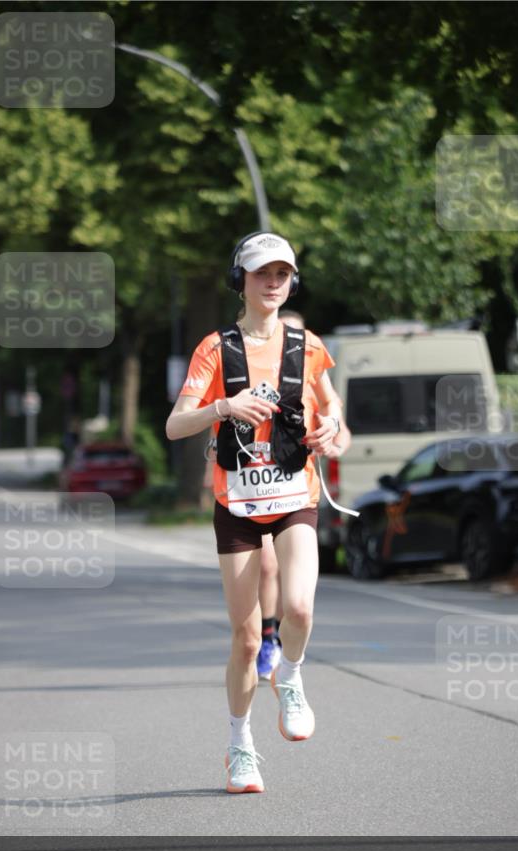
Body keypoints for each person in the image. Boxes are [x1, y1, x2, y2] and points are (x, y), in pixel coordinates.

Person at [165, 232, 342, 793]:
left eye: (282, 274)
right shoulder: (215, 349)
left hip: (294, 496)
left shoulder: (307, 345)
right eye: (263, 273)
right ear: (239, 279)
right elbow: (175, 424)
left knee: (299, 609)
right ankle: (239, 745)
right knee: (245, 640)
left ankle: (289, 675)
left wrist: (334, 429)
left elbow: (333, 407)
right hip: (237, 504)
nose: (273, 283)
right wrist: (223, 406)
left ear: (293, 282)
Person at [255, 309, 351, 680]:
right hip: (257, 490)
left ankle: (281, 639)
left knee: (293, 586)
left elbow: (340, 430)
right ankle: (266, 637)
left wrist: (333, 441)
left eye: (293, 335)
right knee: (267, 565)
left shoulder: (312, 381)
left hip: (298, 490)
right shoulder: (253, 373)